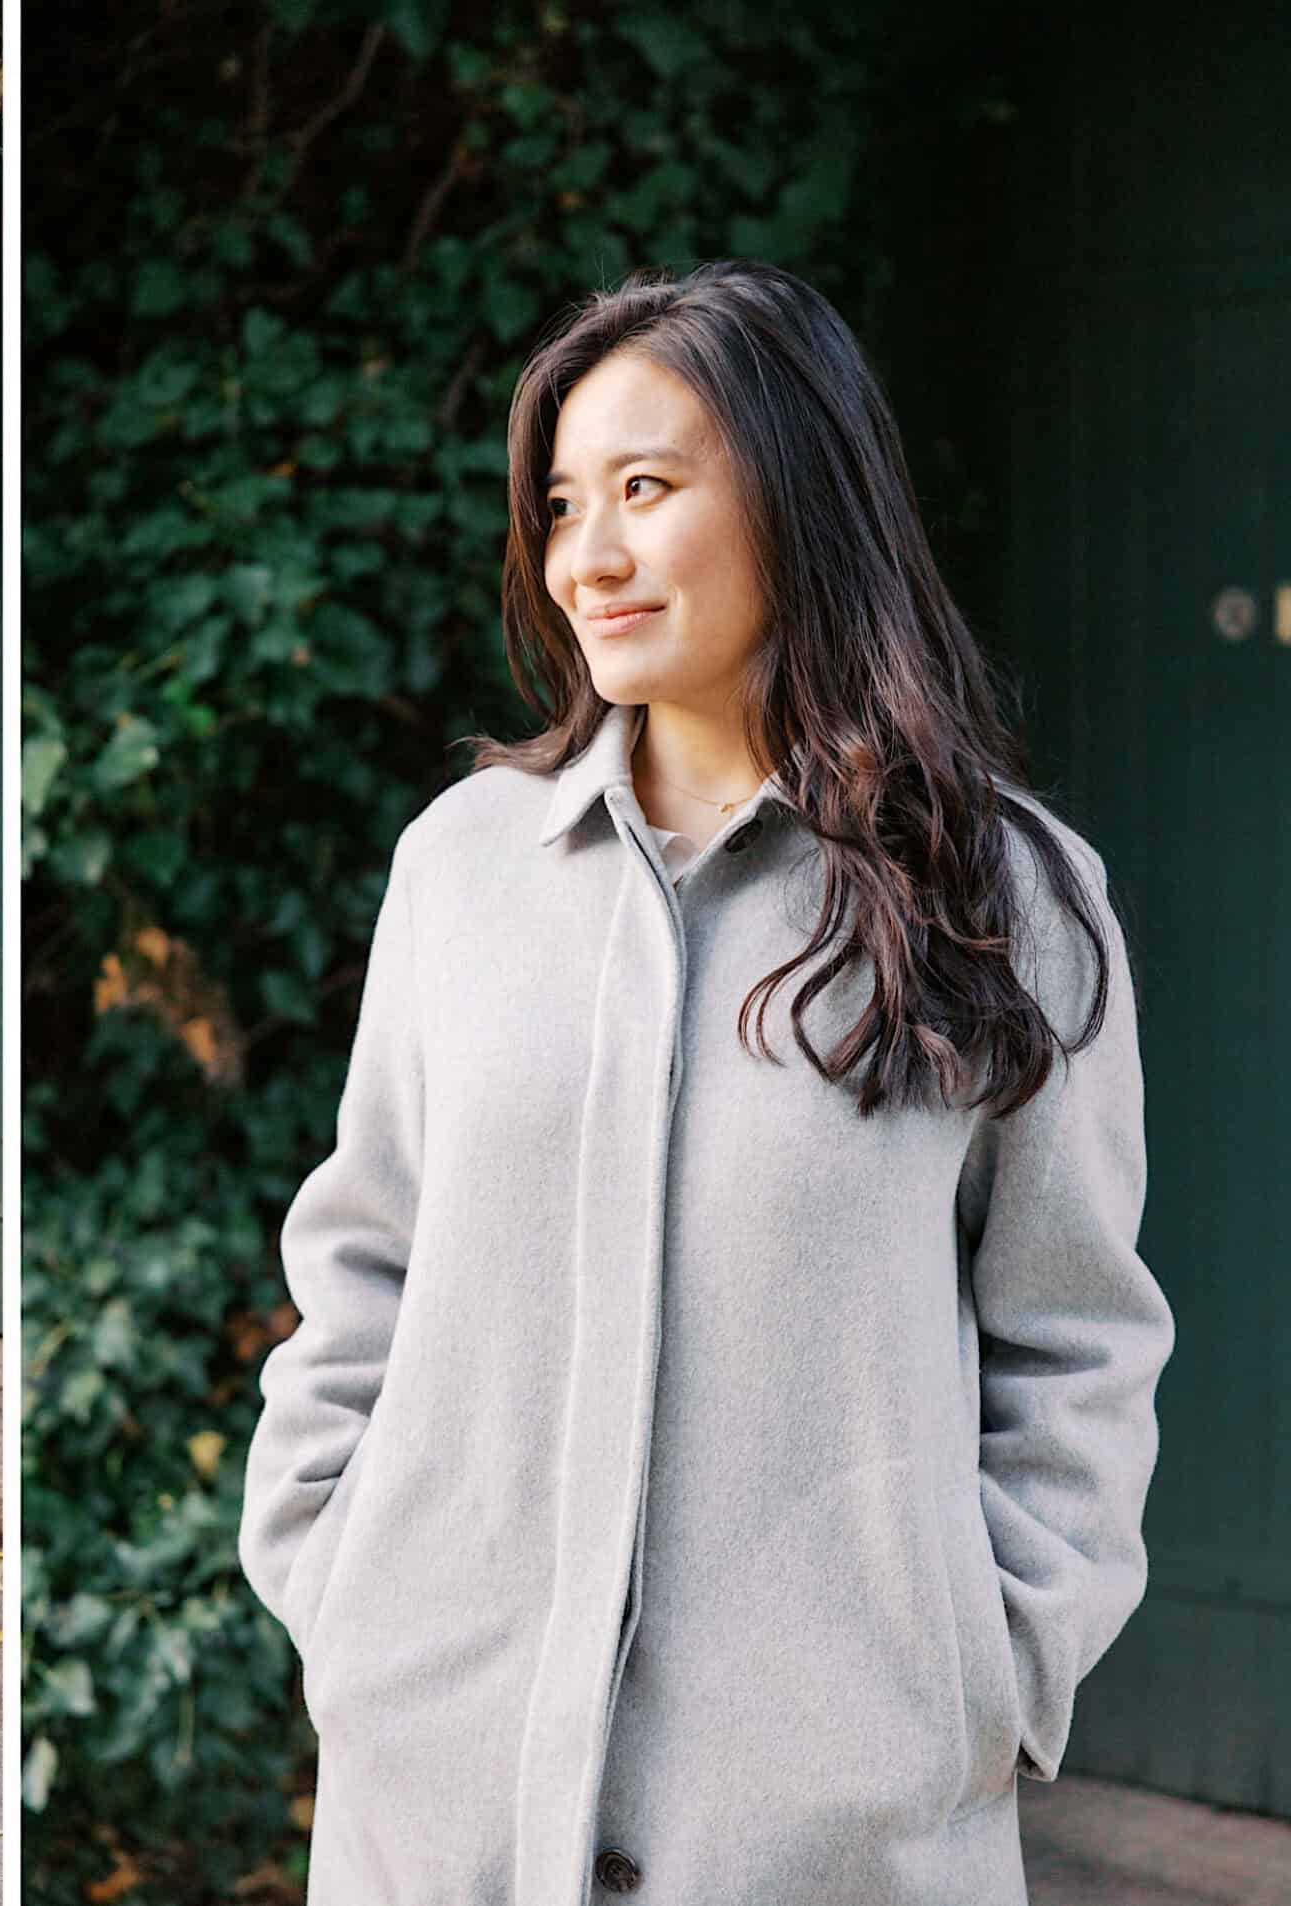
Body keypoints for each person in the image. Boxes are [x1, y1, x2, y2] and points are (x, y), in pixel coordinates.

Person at [236, 260, 1174, 1903]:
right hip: (438, 1807)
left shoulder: (1009, 897)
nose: (587, 555)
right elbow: (360, 1262)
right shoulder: (463, 870)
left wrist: (985, 1681)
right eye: (560, 504)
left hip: (837, 1842)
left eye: (647, 490)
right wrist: (338, 1581)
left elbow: (1077, 1341)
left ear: (799, 497)